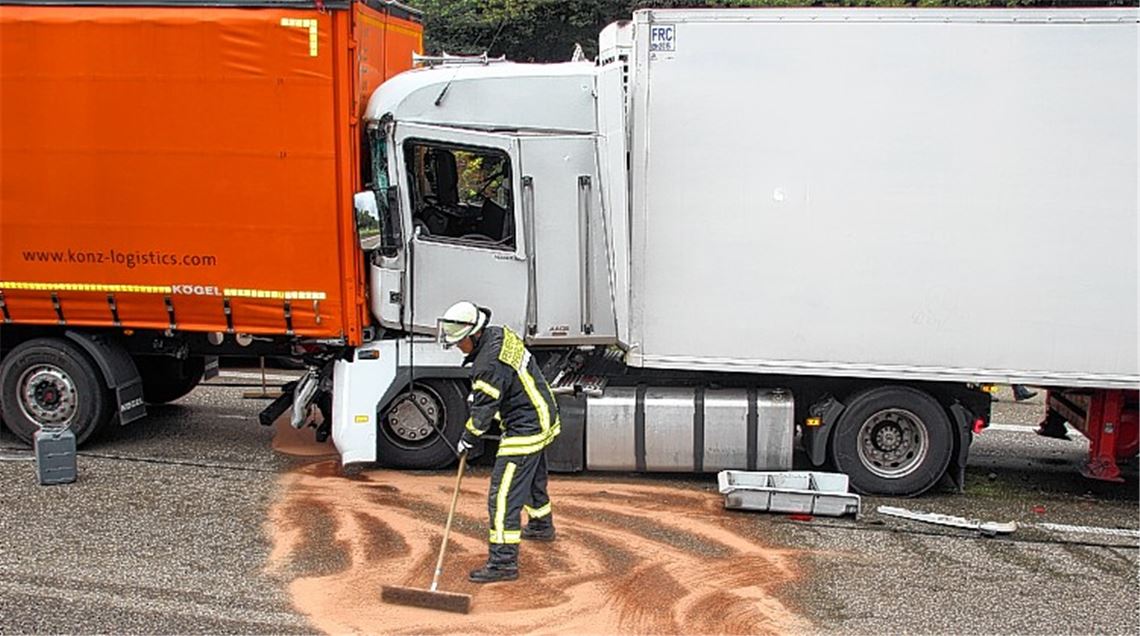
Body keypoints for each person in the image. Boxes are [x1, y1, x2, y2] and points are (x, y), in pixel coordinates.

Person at [438, 300, 560, 583]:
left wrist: (467, 440)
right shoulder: (499, 334)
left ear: (474, 335)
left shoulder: (487, 365)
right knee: (530, 477)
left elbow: (482, 414)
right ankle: (541, 524)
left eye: (459, 343)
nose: (458, 347)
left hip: (526, 428)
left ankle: (503, 562)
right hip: (544, 412)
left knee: (503, 496)